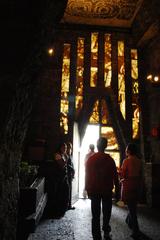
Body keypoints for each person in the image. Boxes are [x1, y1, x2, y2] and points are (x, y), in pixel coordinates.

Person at [85, 137, 120, 240]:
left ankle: (96, 236)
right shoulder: (110, 159)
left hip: (94, 190)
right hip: (106, 190)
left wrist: (87, 188)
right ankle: (106, 231)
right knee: (107, 212)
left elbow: (87, 175)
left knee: (95, 215)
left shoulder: (91, 159)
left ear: (97, 145)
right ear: (106, 146)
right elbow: (115, 176)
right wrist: (117, 191)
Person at [120, 143, 142, 239]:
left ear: (128, 150)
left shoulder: (126, 161)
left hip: (128, 185)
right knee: (133, 206)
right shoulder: (139, 161)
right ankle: (129, 221)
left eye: (126, 149)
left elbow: (123, 175)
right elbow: (140, 174)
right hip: (136, 184)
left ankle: (136, 230)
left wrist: (120, 176)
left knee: (132, 209)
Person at [66, 141, 75, 210]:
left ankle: (69, 204)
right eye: (69, 148)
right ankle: (67, 205)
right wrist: (72, 169)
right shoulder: (66, 156)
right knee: (68, 190)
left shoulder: (70, 156)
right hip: (67, 175)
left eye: (71, 148)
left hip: (70, 175)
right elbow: (67, 165)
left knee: (70, 190)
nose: (70, 150)